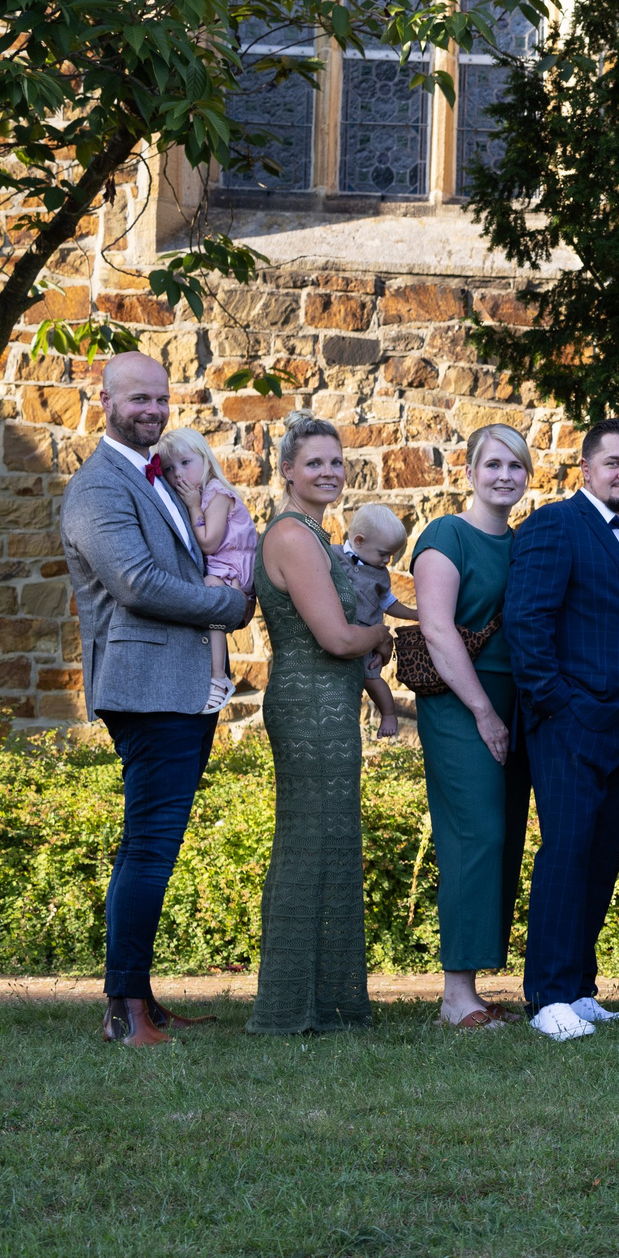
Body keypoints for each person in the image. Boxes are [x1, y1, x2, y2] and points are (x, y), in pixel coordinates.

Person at [61, 353, 257, 1045]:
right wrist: (230, 606)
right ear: (105, 400)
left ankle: (137, 996)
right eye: (138, 397)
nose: (152, 409)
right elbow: (139, 583)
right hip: (147, 690)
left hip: (180, 689)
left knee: (144, 845)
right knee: (149, 848)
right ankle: (125, 1012)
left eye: (161, 398)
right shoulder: (97, 487)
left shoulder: (159, 476)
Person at [506, 417, 619, 1044]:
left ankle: (579, 986)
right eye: (614, 462)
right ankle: (546, 995)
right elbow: (527, 623)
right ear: (586, 470)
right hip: (571, 722)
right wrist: (559, 705)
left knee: (600, 856)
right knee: (567, 852)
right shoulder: (553, 525)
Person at [246, 416, 388, 1036]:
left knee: (327, 843)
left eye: (337, 462)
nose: (329, 472)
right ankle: (288, 1005)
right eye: (315, 463)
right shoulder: (295, 538)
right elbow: (334, 637)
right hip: (310, 706)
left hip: (325, 703)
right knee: (310, 847)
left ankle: (324, 999)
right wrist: (381, 634)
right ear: (286, 470)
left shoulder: (313, 532)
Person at [410, 423, 535, 1029]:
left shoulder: (523, 542)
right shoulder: (446, 535)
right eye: (493, 465)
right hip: (464, 703)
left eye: (515, 466)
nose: (504, 476)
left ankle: (476, 988)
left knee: (505, 837)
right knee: (474, 834)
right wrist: (485, 711)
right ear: (468, 473)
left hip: (518, 700)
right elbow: (436, 630)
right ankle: (454, 996)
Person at [153, 425, 257, 713]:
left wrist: (194, 506)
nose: (179, 474)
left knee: (209, 597)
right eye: (170, 469)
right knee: (206, 610)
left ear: (205, 459)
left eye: (186, 463)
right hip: (224, 566)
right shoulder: (202, 493)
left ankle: (219, 678)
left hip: (234, 567)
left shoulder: (216, 494)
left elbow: (210, 542)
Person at [338, 502, 415, 740]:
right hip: (337, 629)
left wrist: (416, 614)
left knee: (371, 677)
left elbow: (388, 603)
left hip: (368, 635)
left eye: (391, 555)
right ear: (359, 541)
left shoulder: (380, 575)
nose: (388, 561)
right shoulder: (331, 555)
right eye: (383, 554)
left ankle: (389, 714)